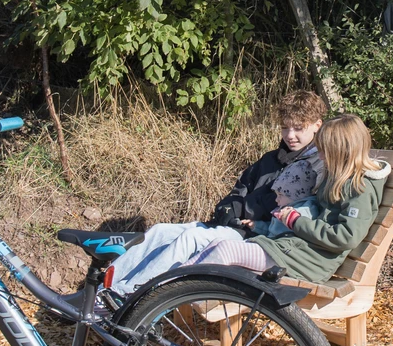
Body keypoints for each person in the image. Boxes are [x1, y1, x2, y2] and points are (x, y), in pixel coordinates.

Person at [102, 90, 327, 297]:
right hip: (233, 227)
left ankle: (129, 296)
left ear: (317, 125)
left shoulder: (316, 165)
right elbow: (240, 188)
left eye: (298, 128)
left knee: (191, 238)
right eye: (285, 128)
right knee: (160, 231)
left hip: (258, 237)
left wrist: (245, 214)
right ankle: (102, 290)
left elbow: (288, 209)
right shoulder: (271, 158)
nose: (290, 135)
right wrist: (228, 207)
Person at [191, 113, 388, 284]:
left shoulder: (359, 188)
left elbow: (345, 237)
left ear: (342, 152)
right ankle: (176, 296)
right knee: (217, 246)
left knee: (226, 250)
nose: (320, 157)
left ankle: (179, 296)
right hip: (295, 250)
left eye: (324, 151)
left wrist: (296, 221)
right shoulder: (337, 180)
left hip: (310, 262)